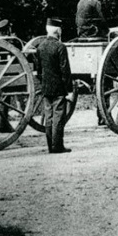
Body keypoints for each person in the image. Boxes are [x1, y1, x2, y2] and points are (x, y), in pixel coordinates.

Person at [35, 18, 74, 153]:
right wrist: (68, 90)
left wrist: (44, 81)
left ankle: (50, 145)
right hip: (58, 87)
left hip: (46, 87)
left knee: (49, 116)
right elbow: (65, 70)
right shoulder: (60, 47)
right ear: (58, 30)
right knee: (58, 115)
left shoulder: (40, 47)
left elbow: (38, 70)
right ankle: (57, 146)